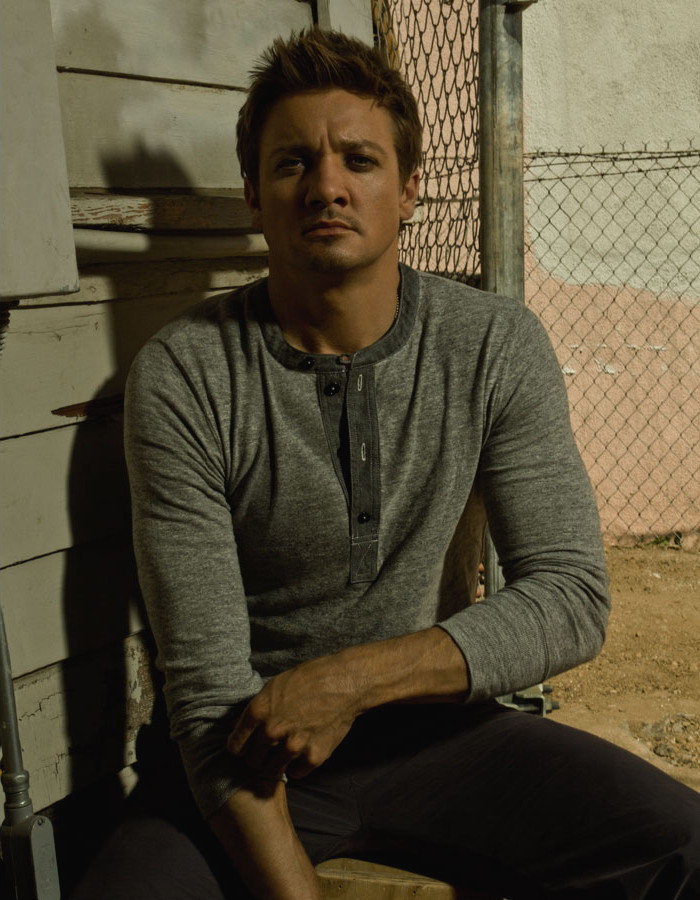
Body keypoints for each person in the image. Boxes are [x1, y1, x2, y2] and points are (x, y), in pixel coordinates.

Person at [73, 28, 700, 900]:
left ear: (409, 190)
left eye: (359, 160)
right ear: (253, 193)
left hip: (442, 737)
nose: (326, 186)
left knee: (684, 847)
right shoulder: (188, 373)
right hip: (245, 755)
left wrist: (351, 682)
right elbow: (207, 689)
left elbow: (570, 596)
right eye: (293, 163)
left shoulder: (492, 344)